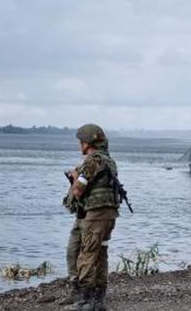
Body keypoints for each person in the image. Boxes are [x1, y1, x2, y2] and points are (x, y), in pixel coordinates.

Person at [62, 123, 120, 310]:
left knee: (86, 255)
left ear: (88, 143)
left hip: (96, 215)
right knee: (101, 254)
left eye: (81, 142)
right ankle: (98, 300)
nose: (80, 145)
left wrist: (75, 175)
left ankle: (85, 301)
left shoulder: (92, 161)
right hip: (110, 214)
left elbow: (78, 190)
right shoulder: (110, 161)